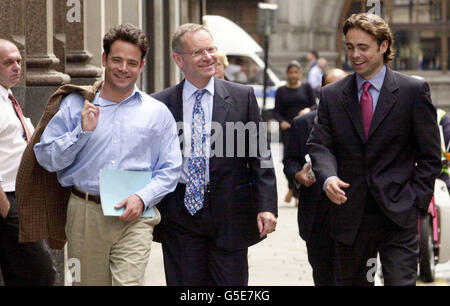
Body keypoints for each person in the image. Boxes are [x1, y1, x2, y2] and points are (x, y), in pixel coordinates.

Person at [33, 24, 182, 285]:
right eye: (117, 60)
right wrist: (81, 131)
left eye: (132, 63)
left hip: (136, 217)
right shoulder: (74, 105)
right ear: (104, 59)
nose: (124, 68)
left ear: (141, 66)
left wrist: (142, 197)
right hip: (84, 214)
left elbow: (170, 168)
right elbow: (46, 158)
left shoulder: (157, 112)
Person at [307, 13, 441, 286]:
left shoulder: (412, 92)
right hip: (349, 213)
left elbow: (430, 156)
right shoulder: (332, 96)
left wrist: (415, 199)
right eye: (349, 46)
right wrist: (329, 178)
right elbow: (320, 145)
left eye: (363, 47)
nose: (355, 55)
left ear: (384, 46)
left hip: (398, 214)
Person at [151, 23, 278, 286]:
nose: (208, 57)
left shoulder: (242, 97)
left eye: (211, 49)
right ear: (179, 59)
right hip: (180, 214)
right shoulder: (160, 104)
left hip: (230, 212)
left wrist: (266, 205)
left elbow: (260, 155)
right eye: (198, 52)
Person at [283, 68, 347, 286]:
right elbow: (289, 161)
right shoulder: (302, 124)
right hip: (316, 215)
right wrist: (297, 175)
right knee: (323, 275)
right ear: (322, 90)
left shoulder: (361, 123)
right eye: (332, 87)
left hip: (353, 214)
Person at [0, 39, 55, 286]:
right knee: (40, 271)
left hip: (20, 195)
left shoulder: (8, 97)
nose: (16, 67)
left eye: (19, 61)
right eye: (8, 62)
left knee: (19, 272)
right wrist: (3, 203)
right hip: (7, 197)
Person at [274, 60, 315, 202]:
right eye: (290, 72)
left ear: (300, 73)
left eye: (296, 72)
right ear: (286, 74)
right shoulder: (281, 91)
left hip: (305, 129)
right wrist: (282, 122)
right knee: (288, 160)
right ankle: (293, 187)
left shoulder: (307, 88)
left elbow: (315, 105)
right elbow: (277, 111)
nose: (293, 75)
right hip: (288, 130)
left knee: (303, 159)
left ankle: (296, 192)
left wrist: (307, 110)